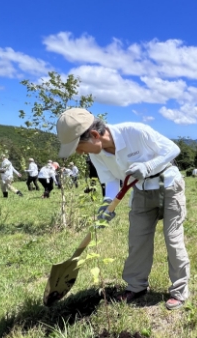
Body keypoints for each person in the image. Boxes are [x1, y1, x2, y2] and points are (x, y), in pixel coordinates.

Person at [56, 108, 190, 310]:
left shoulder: (135, 131)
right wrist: (106, 205)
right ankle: (136, 286)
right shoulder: (97, 155)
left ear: (94, 135)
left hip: (168, 186)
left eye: (79, 146)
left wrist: (148, 166)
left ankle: (179, 291)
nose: (79, 152)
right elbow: (111, 181)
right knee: (137, 240)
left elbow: (172, 149)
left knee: (172, 239)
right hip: (140, 192)